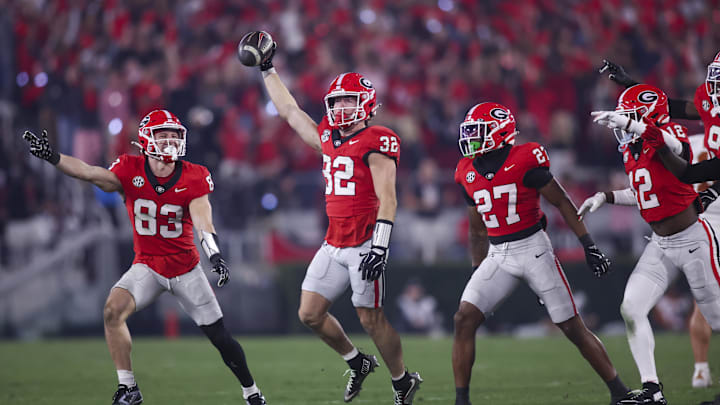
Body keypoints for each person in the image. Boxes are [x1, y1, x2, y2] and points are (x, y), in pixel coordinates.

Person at [21, 110, 267, 405]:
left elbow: (204, 220)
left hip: (186, 269)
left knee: (220, 338)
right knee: (112, 311)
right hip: (147, 265)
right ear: (146, 139)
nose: (171, 142)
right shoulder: (129, 169)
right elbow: (89, 172)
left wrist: (215, 257)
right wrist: (54, 158)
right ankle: (129, 388)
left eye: (175, 136)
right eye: (163, 135)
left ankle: (251, 392)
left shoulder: (194, 175)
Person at [249, 39, 422, 404]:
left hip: (363, 244)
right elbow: (291, 112)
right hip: (333, 241)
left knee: (371, 319)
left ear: (367, 105)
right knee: (309, 313)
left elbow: (388, 197)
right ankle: (357, 361)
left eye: (350, 100)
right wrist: (268, 70)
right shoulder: (328, 136)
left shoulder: (378, 139)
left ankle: (402, 380)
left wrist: (380, 245)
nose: (342, 107)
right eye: (338, 100)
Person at [451, 102, 629, 405]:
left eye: (479, 133)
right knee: (463, 319)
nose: (472, 140)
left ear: (500, 132)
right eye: (470, 133)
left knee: (572, 327)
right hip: (498, 254)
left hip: (534, 249)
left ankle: (620, 392)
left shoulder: (525, 158)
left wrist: (589, 245)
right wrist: (477, 269)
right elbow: (476, 228)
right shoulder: (465, 170)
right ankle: (462, 400)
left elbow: (561, 202)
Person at [581, 83, 720, 404]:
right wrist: (605, 196)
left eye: (630, 117)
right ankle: (652, 390)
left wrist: (632, 124)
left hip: (693, 241)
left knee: (716, 319)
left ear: (647, 118)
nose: (622, 123)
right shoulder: (633, 149)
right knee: (631, 308)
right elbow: (645, 193)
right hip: (660, 244)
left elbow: (675, 148)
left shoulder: (670, 135)